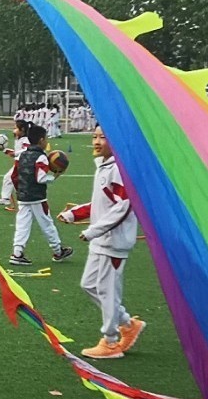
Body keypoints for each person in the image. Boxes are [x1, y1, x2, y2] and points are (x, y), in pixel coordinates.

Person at [77, 126, 144, 360]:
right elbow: (102, 203)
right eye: (94, 137)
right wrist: (75, 214)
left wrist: (93, 230)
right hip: (101, 241)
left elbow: (123, 206)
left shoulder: (117, 169)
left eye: (102, 138)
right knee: (89, 285)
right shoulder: (104, 166)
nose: (96, 142)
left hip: (113, 242)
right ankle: (127, 323)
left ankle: (111, 341)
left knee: (107, 291)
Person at [9, 124, 72, 266]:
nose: (47, 141)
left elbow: (14, 176)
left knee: (22, 225)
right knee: (47, 224)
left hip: (23, 196)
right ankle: (57, 251)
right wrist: (54, 177)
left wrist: (20, 190)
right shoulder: (42, 157)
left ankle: (17, 253)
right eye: (46, 138)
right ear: (41, 140)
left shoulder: (23, 155)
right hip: (37, 197)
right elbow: (40, 178)